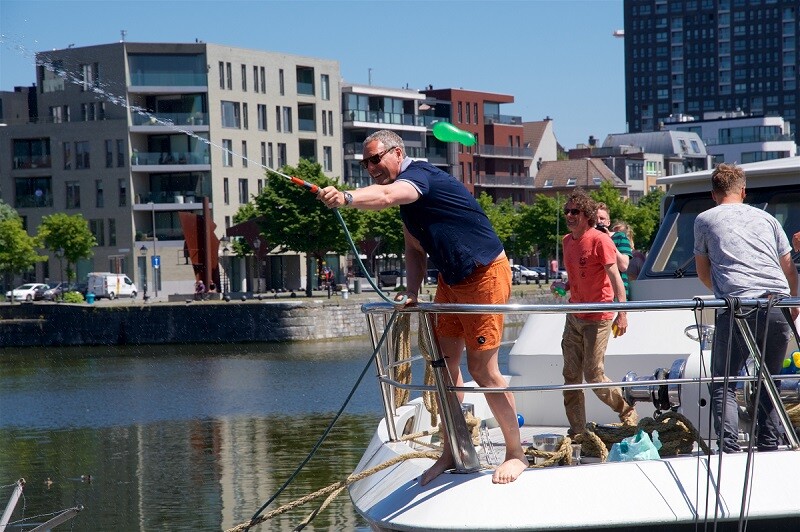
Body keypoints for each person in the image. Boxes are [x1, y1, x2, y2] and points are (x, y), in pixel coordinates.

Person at [318, 130, 528, 485]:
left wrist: (347, 197)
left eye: (375, 159)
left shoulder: (421, 178)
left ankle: (515, 452)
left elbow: (385, 195)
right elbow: (415, 250)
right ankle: (452, 449)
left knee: (483, 370)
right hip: (450, 279)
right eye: (364, 163)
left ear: (397, 153)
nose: (370, 167)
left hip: (485, 272)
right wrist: (412, 290)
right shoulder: (409, 205)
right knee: (444, 367)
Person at [693, 163, 798, 453]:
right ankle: (768, 444)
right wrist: (793, 301)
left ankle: (728, 448)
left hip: (739, 306)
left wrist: (725, 289)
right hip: (779, 303)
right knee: (770, 379)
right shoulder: (767, 219)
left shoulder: (705, 219)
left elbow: (703, 272)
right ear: (743, 191)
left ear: (714, 194)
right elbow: (788, 268)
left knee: (724, 382)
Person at [551, 189, 638, 437]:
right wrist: (564, 286)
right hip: (574, 315)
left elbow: (615, 279)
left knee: (594, 375)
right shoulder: (567, 242)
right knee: (570, 376)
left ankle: (627, 411)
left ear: (587, 215)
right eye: (566, 211)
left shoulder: (601, 240)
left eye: (574, 211)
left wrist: (622, 314)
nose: (568, 215)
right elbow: (578, 274)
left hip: (598, 318)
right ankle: (578, 432)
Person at [596, 203, 632, 300]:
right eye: (595, 219)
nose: (598, 222)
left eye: (602, 218)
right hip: (596, 295)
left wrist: (608, 241)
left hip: (616, 298)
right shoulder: (588, 240)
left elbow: (623, 266)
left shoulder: (619, 237)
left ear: (608, 222)